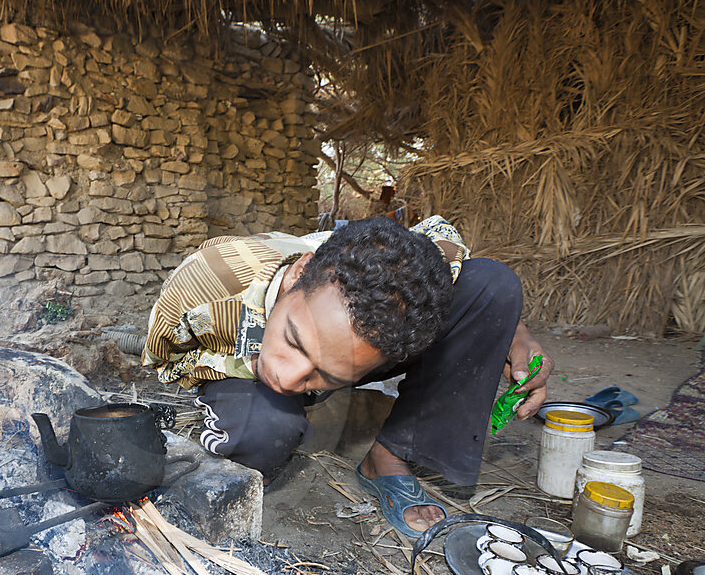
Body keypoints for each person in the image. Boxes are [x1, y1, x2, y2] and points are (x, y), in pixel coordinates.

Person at [142, 216, 552, 537]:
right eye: (294, 341)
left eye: (324, 374)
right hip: (240, 356)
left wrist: (513, 334)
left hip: (358, 350)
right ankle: (311, 403)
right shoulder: (208, 285)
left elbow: (439, 238)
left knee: (493, 284)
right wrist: (244, 364)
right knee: (262, 432)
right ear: (301, 273)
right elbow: (163, 363)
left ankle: (387, 457)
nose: (287, 377)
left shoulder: (424, 268)